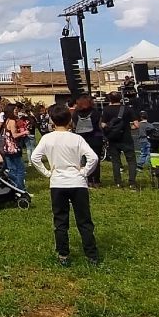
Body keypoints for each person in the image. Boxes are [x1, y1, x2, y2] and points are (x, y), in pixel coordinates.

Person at [31, 103, 100, 267]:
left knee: (60, 220)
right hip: (78, 182)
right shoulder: (76, 138)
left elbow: (35, 158)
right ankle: (91, 255)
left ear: (52, 120)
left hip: (58, 183)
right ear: (70, 119)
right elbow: (94, 158)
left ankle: (63, 255)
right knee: (84, 220)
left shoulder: (47, 138)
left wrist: (48, 173)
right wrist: (84, 172)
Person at [99, 91, 138, 190]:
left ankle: (118, 183)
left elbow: (103, 124)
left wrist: (109, 129)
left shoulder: (106, 110)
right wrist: (129, 128)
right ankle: (132, 183)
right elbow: (136, 124)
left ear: (110, 99)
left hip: (113, 139)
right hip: (126, 138)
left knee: (116, 161)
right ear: (121, 98)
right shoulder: (128, 109)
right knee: (131, 161)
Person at [71, 95, 103, 187]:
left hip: (82, 139)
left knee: (85, 160)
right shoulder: (96, 112)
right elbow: (100, 125)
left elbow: (73, 125)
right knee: (96, 160)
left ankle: (88, 179)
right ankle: (96, 181)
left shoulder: (76, 113)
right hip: (95, 137)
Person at [1, 109, 30, 192]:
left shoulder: (7, 120)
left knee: (11, 169)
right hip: (13, 148)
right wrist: (24, 132)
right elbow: (14, 135)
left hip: (7, 147)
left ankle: (13, 187)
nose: (16, 112)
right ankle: (20, 189)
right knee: (20, 169)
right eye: (15, 110)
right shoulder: (12, 121)